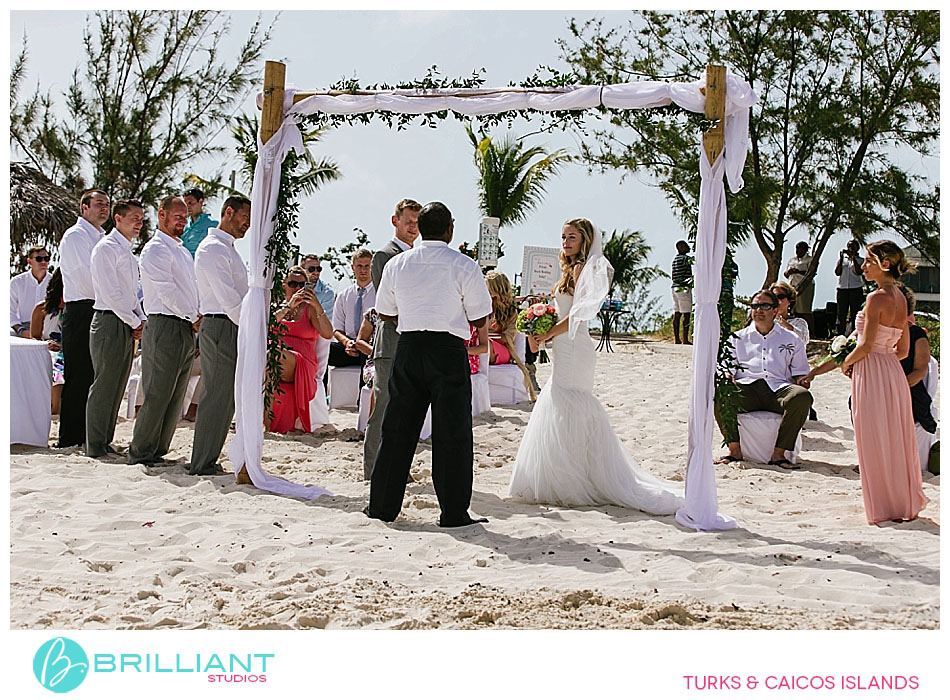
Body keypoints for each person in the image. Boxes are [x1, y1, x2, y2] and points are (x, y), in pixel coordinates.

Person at [508, 218, 684, 513]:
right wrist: (540, 333)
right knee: (558, 404)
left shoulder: (581, 269)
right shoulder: (568, 270)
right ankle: (562, 475)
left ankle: (574, 479)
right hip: (564, 346)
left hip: (576, 348)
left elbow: (578, 316)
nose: (565, 242)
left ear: (585, 240)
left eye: (572, 237)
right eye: (563, 236)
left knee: (567, 404)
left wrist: (548, 333)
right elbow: (562, 313)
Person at [364, 201, 493, 527]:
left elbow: (386, 313)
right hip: (448, 350)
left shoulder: (398, 264)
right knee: (453, 433)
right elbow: (480, 316)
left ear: (419, 228)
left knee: (397, 430)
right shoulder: (464, 265)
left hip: (409, 347)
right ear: (450, 229)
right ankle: (453, 513)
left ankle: (381, 507)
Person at [841, 241, 927, 524]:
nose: (863, 266)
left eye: (868, 261)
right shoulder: (901, 298)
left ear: (885, 264)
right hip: (892, 371)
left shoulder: (876, 298)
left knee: (873, 437)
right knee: (893, 436)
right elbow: (902, 350)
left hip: (874, 369)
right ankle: (900, 502)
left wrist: (846, 360)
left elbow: (865, 345)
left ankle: (882, 507)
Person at [129, 196, 200, 465]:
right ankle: (141, 451)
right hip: (164, 323)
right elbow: (165, 290)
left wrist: (195, 316)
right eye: (177, 215)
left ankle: (159, 449)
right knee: (158, 392)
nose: (182, 220)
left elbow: (190, 289)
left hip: (184, 325)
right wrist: (194, 316)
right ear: (162, 214)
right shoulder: (155, 249)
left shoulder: (181, 250)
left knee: (176, 395)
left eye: (185, 216)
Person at [187, 196, 251, 475]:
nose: (248, 224)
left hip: (230, 324)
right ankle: (202, 461)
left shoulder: (229, 249)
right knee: (217, 394)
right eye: (244, 217)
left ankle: (209, 457)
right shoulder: (213, 249)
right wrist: (250, 326)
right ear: (228, 213)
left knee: (226, 397)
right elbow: (228, 298)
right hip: (221, 323)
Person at [714, 289, 813, 468]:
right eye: (755, 306)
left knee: (802, 396)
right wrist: (727, 377)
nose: (759, 310)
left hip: (778, 389)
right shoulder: (737, 338)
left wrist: (802, 380)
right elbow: (726, 368)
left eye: (765, 306)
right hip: (746, 388)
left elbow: (800, 371)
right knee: (720, 392)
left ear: (775, 310)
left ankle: (779, 454)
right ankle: (734, 450)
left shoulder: (792, 339)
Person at [363, 198, 422, 481]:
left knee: (403, 410)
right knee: (384, 407)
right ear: (395, 221)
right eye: (408, 221)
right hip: (389, 343)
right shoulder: (383, 256)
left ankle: (396, 466)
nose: (413, 227)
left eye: (417, 222)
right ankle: (373, 467)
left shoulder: (416, 255)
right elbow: (389, 304)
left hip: (410, 342)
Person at [85, 200, 147, 458]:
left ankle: (105, 440)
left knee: (118, 385)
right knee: (104, 385)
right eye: (134, 217)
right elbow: (110, 293)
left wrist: (140, 318)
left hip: (126, 321)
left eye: (141, 218)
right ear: (117, 218)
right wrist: (134, 322)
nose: (139, 223)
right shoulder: (106, 249)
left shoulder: (128, 253)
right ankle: (95, 444)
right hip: (109, 320)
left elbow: (132, 294)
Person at [57, 188, 111, 448]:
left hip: (101, 307)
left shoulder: (104, 238)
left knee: (95, 375)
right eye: (98, 203)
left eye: (107, 204)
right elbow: (84, 275)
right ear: (84, 208)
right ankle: (70, 437)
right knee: (78, 374)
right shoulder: (76, 236)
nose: (104, 208)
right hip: (82, 308)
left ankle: (90, 434)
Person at [267, 266, 334, 433]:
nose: (297, 288)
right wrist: (289, 306)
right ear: (284, 285)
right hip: (276, 358)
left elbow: (327, 333)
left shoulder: (310, 309)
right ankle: (265, 422)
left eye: (301, 285)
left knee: (273, 356)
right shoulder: (277, 308)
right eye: (292, 284)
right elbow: (266, 327)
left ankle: (265, 425)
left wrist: (318, 306)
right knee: (271, 359)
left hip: (302, 362)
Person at [484, 270, 535, 400]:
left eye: (487, 287)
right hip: (484, 345)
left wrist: (486, 336)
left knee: (484, 346)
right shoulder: (481, 306)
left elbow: (508, 337)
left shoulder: (511, 311)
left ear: (496, 288)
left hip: (503, 350)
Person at [895, 283, 937, 436]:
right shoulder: (873, 331)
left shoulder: (916, 334)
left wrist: (892, 388)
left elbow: (920, 371)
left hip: (908, 389)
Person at [329, 248, 375, 370]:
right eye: (359, 266)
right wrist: (346, 343)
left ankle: (362, 389)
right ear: (353, 267)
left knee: (367, 354)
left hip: (370, 346)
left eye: (367, 266)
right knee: (325, 350)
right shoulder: (344, 295)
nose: (363, 270)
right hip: (349, 346)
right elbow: (337, 329)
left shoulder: (380, 294)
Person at [29, 267, 65, 414]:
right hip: (48, 349)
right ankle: (55, 411)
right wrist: (46, 345)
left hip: (71, 347)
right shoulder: (42, 308)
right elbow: (35, 336)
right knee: (57, 366)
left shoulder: (78, 308)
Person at [11, 245, 52, 337]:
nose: (43, 262)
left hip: (48, 327)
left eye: (46, 258)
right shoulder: (17, 282)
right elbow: (9, 312)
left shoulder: (54, 282)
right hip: (23, 326)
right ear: (29, 261)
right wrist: (21, 330)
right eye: (39, 259)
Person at [835, 238, 865, 336]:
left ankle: (855, 333)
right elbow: (837, 272)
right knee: (841, 313)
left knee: (855, 313)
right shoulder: (843, 260)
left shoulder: (861, 260)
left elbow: (858, 272)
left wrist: (854, 259)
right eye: (849, 246)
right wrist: (841, 258)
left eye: (853, 247)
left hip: (855, 288)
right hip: (842, 288)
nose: (850, 248)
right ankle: (840, 334)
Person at [784, 241, 815, 334]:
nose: (798, 251)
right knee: (794, 310)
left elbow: (811, 274)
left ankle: (812, 333)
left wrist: (798, 271)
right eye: (797, 248)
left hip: (804, 286)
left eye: (801, 249)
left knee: (804, 310)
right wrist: (789, 272)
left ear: (805, 250)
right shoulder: (792, 260)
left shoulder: (809, 260)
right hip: (792, 285)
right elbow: (786, 273)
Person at [181, 187, 219, 258]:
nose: (187, 207)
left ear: (200, 202)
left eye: (190, 203)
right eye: (185, 204)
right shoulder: (183, 224)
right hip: (182, 266)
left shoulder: (212, 224)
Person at [670, 240, 693, 344]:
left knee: (677, 312)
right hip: (683, 287)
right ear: (682, 247)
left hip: (674, 287)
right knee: (686, 314)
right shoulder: (686, 259)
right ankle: (685, 339)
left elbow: (673, 275)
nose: (689, 248)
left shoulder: (675, 260)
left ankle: (677, 339)